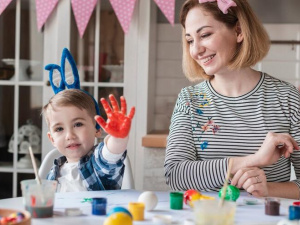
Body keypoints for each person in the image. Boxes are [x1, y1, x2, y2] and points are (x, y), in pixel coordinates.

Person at [164, 0, 300, 199]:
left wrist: (268, 189)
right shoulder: (189, 100)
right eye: (190, 40)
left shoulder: (287, 98)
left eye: (205, 35)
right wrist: (254, 160)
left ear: (238, 31)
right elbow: (175, 174)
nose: (195, 50)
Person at [42, 90, 135, 192]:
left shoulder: (97, 163)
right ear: (52, 139)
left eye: (78, 124)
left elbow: (111, 154)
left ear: (97, 129)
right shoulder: (53, 173)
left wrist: (117, 137)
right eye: (59, 129)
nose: (69, 136)